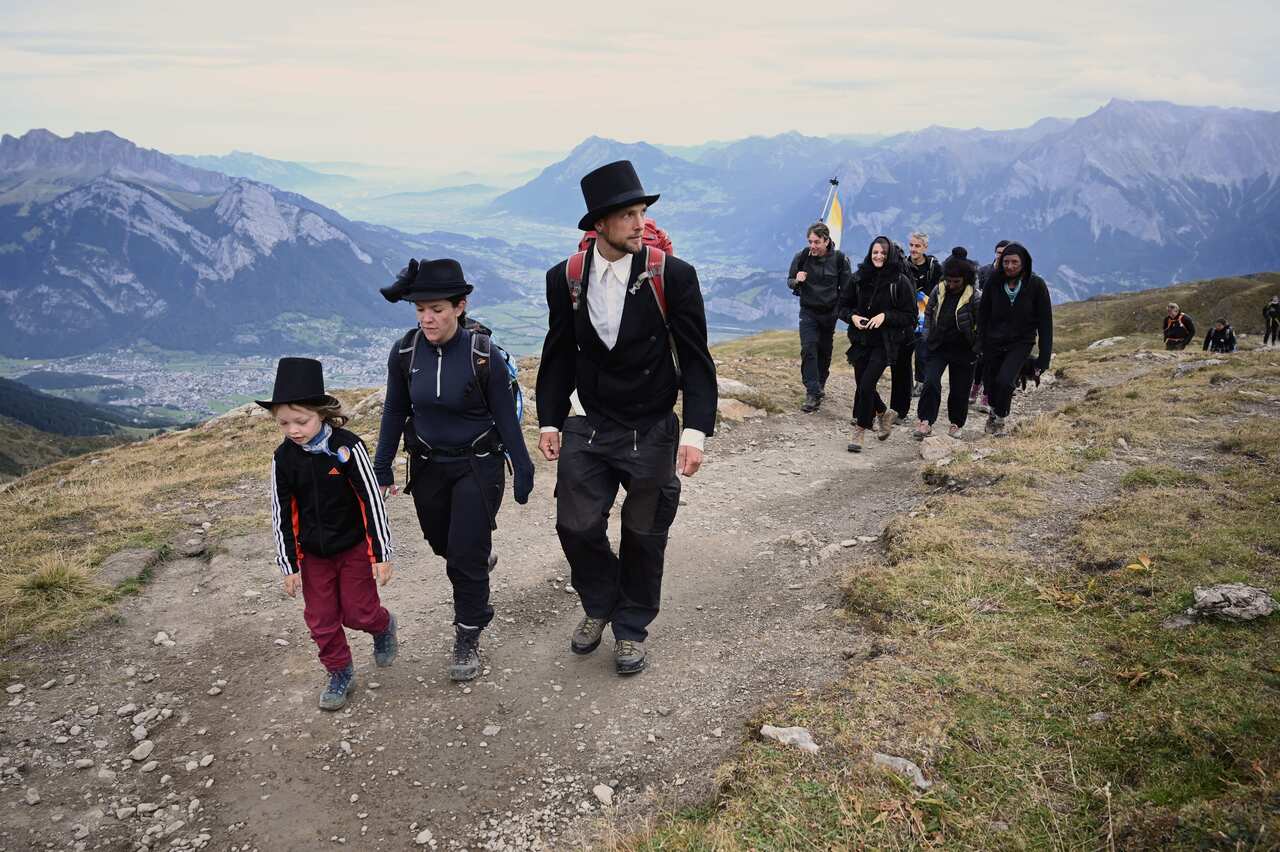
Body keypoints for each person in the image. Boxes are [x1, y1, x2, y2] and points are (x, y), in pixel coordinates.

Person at [536, 160, 718, 676]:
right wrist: (550, 419)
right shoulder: (565, 279)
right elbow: (558, 353)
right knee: (574, 525)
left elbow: (697, 360)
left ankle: (630, 627)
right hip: (588, 423)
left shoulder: (673, 276)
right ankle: (601, 600)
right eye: (630, 214)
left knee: (644, 531)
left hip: (652, 426)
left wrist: (696, 431)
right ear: (600, 225)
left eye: (642, 213)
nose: (641, 223)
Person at [372, 258, 534, 682]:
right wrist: (383, 463)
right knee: (442, 544)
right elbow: (394, 410)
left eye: (437, 309)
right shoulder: (405, 352)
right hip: (427, 467)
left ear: (460, 307)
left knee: (462, 559)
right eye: (420, 310)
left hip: (478, 467)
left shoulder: (483, 356)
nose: (427, 318)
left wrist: (523, 467)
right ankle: (477, 557)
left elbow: (504, 417)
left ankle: (468, 632)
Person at [261, 358, 396, 711]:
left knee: (359, 614)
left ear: (322, 413)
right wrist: (288, 564)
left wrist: (380, 554)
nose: (293, 430)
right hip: (314, 555)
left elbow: (371, 500)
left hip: (352, 548)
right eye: (284, 423)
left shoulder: (347, 448)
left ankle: (382, 626)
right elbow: (282, 512)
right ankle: (339, 671)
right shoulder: (283, 459)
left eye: (301, 420)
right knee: (321, 620)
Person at [839, 236, 916, 452]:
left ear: (890, 254)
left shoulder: (899, 282)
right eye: (875, 252)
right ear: (869, 254)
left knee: (865, 386)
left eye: (883, 252)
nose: (879, 256)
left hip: (885, 342)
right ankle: (883, 412)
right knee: (864, 385)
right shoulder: (858, 278)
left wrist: (886, 317)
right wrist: (853, 317)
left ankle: (861, 430)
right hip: (860, 340)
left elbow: (910, 315)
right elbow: (842, 306)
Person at [976, 242, 1053, 436]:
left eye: (1015, 263)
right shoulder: (994, 281)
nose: (1009, 266)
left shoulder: (1036, 285)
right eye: (1006, 262)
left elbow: (1045, 323)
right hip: (993, 341)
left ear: (1024, 263)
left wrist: (1044, 357)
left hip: (1021, 342)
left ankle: (1000, 417)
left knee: (1005, 381)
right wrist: (979, 342)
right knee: (991, 382)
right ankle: (993, 410)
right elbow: (983, 314)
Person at [914, 248, 980, 439]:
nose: (951, 285)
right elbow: (929, 312)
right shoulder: (939, 289)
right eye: (949, 280)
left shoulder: (975, 297)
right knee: (930, 382)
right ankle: (925, 421)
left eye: (956, 282)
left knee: (960, 389)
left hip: (965, 349)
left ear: (965, 279)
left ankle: (956, 423)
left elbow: (982, 323)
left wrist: (977, 346)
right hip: (938, 345)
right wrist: (927, 335)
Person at [786, 222, 851, 412]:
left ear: (826, 241)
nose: (813, 246)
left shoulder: (840, 259)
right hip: (808, 311)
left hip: (829, 313)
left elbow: (847, 289)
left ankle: (820, 384)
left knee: (824, 351)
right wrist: (797, 280)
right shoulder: (802, 257)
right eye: (810, 241)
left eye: (816, 242)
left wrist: (839, 310)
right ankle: (812, 392)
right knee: (808, 348)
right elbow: (789, 281)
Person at [972, 240, 1009, 410]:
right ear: (995, 253)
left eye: (1004, 252)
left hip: (1002, 324)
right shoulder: (984, 271)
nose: (1001, 255)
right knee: (981, 358)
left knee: (993, 361)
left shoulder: (1012, 274)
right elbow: (975, 292)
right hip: (984, 320)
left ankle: (986, 395)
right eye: (999, 252)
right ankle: (975, 387)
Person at [904, 232, 941, 396]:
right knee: (904, 352)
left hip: (925, 317)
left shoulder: (933, 267)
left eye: (917, 246)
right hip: (905, 315)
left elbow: (940, 290)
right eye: (911, 245)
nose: (913, 249)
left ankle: (920, 382)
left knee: (921, 352)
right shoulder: (903, 264)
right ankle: (905, 383)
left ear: (925, 247)